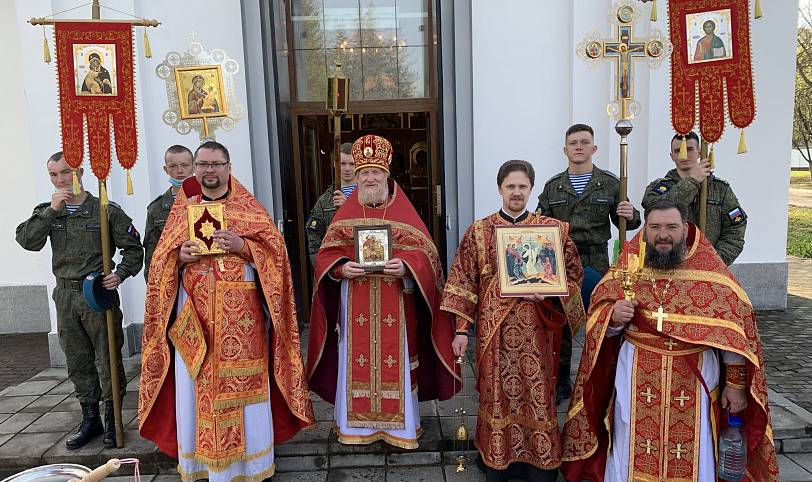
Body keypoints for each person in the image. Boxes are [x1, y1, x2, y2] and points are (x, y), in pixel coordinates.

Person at [561, 199, 778, 482]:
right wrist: (612, 318)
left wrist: (736, 385)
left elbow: (734, 332)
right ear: (645, 230)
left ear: (685, 228)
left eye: (671, 227)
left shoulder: (710, 273)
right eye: (655, 227)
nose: (663, 234)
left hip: (693, 377)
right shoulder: (629, 268)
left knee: (695, 447)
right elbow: (599, 316)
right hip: (637, 375)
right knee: (630, 437)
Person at [138, 141, 314, 481]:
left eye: (216, 164)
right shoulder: (181, 209)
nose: (209, 170)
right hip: (195, 322)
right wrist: (180, 258)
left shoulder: (247, 207)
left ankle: (252, 465)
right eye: (203, 164)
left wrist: (244, 246)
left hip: (242, 322)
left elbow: (278, 254)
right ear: (195, 168)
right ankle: (202, 464)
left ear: (228, 166)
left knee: (245, 390)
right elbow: (159, 263)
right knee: (196, 388)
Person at [307, 134, 459, 449]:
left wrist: (407, 267)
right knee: (355, 360)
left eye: (376, 172)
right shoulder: (345, 215)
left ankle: (400, 429)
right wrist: (340, 268)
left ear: (387, 176)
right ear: (357, 178)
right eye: (364, 174)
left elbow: (428, 259)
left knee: (398, 362)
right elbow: (326, 255)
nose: (370, 178)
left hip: (398, 306)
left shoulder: (405, 213)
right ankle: (356, 428)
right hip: (355, 306)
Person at [441, 160, 585, 482]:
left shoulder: (553, 232)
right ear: (500, 189)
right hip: (496, 336)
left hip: (538, 333)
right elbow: (464, 281)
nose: (516, 192)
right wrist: (462, 329)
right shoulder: (479, 232)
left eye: (522, 186)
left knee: (538, 393)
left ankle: (539, 461)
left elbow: (573, 276)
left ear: (531, 189)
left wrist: (550, 295)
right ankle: (497, 459)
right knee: (496, 396)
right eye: (510, 186)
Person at [16, 152, 143, 450]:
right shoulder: (48, 211)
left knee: (107, 358)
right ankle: (90, 419)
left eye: (66, 172)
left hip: (96, 295)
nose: (60, 180)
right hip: (65, 296)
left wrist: (120, 274)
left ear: (80, 172)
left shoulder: (105, 210)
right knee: (77, 361)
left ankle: (112, 419)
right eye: (54, 174)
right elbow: (27, 241)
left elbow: (134, 249)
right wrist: (51, 210)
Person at [536, 123, 641, 404]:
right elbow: (539, 224)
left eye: (584, 142)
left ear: (594, 148)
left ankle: (599, 379)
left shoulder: (610, 183)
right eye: (573, 143)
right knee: (563, 324)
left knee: (601, 321)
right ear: (565, 149)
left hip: (596, 261)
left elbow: (633, 221)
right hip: (562, 263)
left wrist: (630, 214)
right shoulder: (552, 186)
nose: (579, 147)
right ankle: (560, 383)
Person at [642, 131, 746, 265]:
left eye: (689, 149)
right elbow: (657, 209)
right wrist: (692, 182)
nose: (683, 155)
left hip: (707, 265)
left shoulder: (720, 189)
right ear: (671, 156)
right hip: (666, 263)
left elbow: (735, 229)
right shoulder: (657, 188)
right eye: (677, 151)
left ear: (699, 152)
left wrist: (715, 260)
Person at [143, 145, 194, 279]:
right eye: (173, 166)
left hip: (205, 276)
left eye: (185, 165)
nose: (180, 171)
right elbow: (151, 252)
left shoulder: (209, 199)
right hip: (172, 277)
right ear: (166, 169)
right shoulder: (157, 208)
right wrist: (152, 283)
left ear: (194, 166)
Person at [306, 142, 358, 266]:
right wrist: (325, 271)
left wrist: (349, 207)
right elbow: (314, 242)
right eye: (342, 164)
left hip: (364, 268)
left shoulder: (370, 196)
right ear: (335, 164)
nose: (347, 169)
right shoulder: (324, 201)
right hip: (336, 270)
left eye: (352, 164)